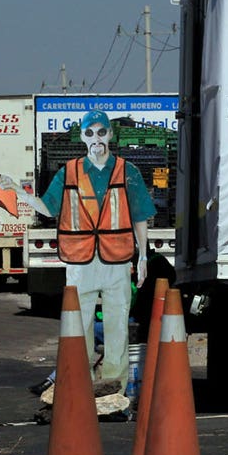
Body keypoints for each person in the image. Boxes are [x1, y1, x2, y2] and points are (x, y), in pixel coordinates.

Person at [17, 109, 154, 395]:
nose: (96, 139)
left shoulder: (127, 171)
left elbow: (140, 215)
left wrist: (142, 257)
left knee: (118, 324)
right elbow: (49, 207)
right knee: (80, 324)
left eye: (101, 132)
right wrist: (21, 195)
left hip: (116, 259)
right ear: (82, 137)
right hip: (80, 260)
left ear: (110, 135)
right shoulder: (69, 172)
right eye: (90, 133)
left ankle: (113, 387)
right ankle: (81, 384)